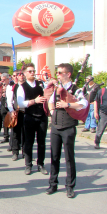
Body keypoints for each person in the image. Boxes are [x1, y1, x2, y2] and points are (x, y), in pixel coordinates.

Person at [46, 63, 88, 198]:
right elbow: (50, 100)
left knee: (69, 158)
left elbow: (83, 103)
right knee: (54, 156)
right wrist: (52, 111)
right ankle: (53, 184)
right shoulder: (57, 88)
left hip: (68, 127)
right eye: (57, 72)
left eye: (59, 73)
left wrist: (68, 104)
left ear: (68, 74)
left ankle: (70, 186)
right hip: (55, 126)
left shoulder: (75, 89)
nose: (57, 75)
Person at [17, 63, 48, 176]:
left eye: (33, 71)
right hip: (29, 116)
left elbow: (48, 96)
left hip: (42, 116)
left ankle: (41, 164)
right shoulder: (22, 87)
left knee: (42, 142)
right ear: (25, 73)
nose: (32, 73)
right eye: (30, 71)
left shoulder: (41, 85)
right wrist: (34, 101)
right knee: (29, 142)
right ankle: (28, 165)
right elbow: (20, 103)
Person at [7, 70, 25, 161]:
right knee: (15, 133)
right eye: (17, 75)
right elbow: (10, 100)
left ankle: (25, 152)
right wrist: (12, 111)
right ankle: (15, 152)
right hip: (16, 112)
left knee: (26, 133)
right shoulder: (13, 86)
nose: (19, 76)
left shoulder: (26, 86)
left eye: (21, 74)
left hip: (26, 112)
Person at [0, 73, 11, 144]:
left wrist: (7, 93)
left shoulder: (11, 86)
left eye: (4, 80)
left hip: (10, 105)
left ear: (8, 79)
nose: (3, 81)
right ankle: (6, 136)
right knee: (4, 121)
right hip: (3, 105)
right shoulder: (2, 86)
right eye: (2, 80)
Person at [94, 85, 107, 149]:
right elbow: (96, 101)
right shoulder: (102, 91)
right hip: (103, 113)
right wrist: (95, 112)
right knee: (100, 129)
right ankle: (97, 142)